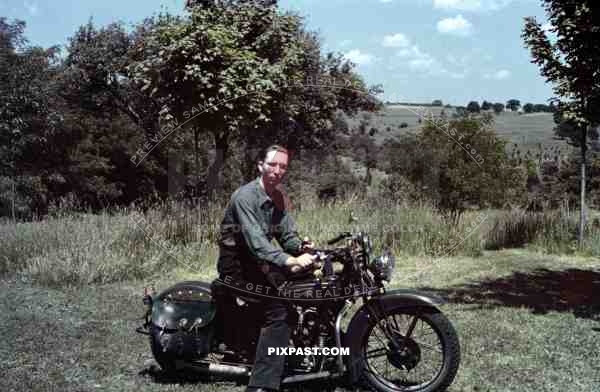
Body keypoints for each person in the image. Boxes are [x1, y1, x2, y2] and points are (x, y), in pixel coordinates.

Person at [216, 144, 316, 392]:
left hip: (259, 263)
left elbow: (287, 236)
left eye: (283, 166)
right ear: (260, 166)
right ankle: (262, 385)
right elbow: (257, 243)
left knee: (309, 283)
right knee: (279, 309)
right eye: (273, 165)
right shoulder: (244, 197)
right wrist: (290, 261)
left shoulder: (278, 196)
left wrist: (302, 249)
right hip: (237, 267)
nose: (278, 170)